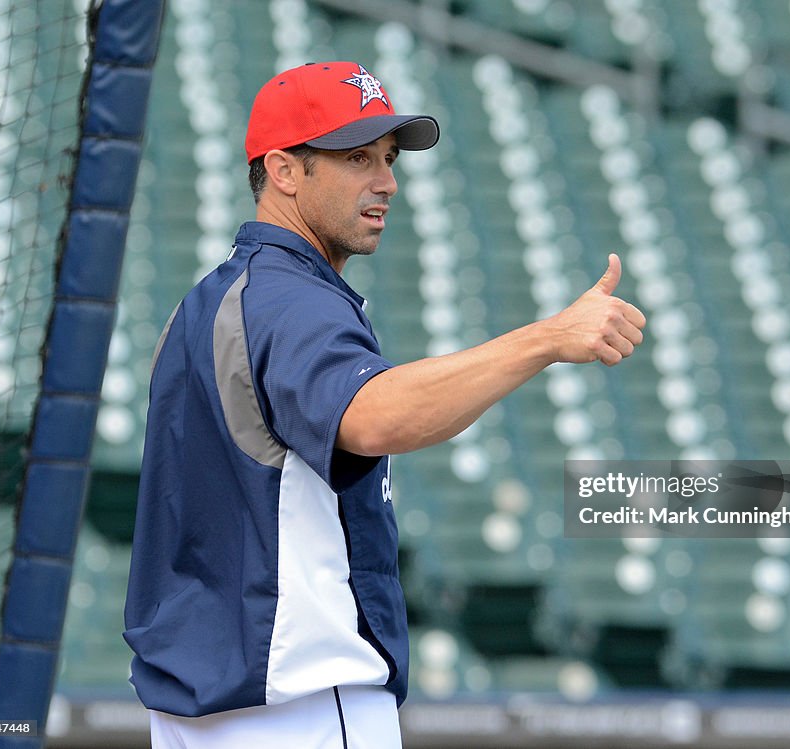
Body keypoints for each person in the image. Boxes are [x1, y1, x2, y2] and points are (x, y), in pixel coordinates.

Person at [123, 61, 646, 749]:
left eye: (390, 158)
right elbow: (374, 415)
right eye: (357, 156)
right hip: (297, 700)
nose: (387, 181)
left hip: (201, 708)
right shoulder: (289, 299)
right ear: (284, 170)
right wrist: (546, 338)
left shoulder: (211, 302)